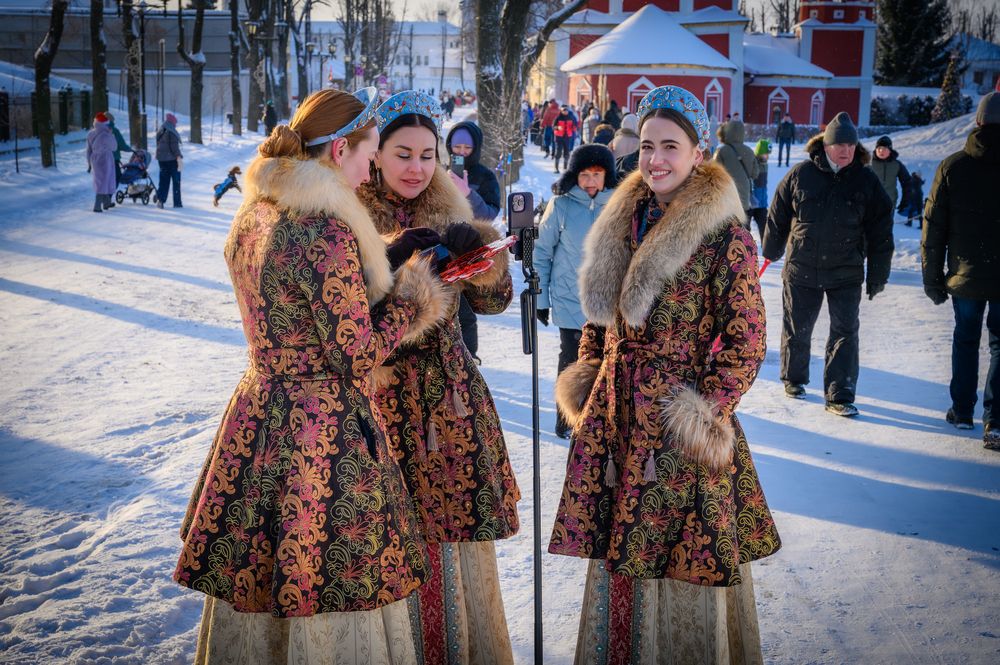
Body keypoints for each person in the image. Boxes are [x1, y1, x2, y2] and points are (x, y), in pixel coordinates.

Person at [174, 87, 453, 663]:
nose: (370, 170)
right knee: (327, 565)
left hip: (258, 412)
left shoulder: (256, 211)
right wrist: (414, 293)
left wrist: (380, 253)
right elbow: (355, 353)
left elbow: (294, 300)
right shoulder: (326, 229)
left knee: (262, 564)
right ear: (340, 150)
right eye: (369, 154)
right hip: (321, 430)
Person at [549, 84, 780, 662]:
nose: (654, 159)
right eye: (647, 145)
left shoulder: (723, 234)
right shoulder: (623, 218)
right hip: (616, 417)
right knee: (620, 548)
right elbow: (601, 318)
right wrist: (590, 374)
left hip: (679, 426)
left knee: (682, 552)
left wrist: (702, 412)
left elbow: (748, 339)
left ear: (698, 153)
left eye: (670, 146)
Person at [357, 90, 520, 664]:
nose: (416, 168)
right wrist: (391, 263)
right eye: (403, 154)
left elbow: (496, 301)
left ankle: (453, 645)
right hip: (380, 398)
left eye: (428, 156)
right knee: (381, 534)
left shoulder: (450, 206)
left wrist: (483, 255)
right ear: (375, 154)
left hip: (448, 401)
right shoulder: (348, 215)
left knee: (448, 531)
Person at [763, 111, 894, 416]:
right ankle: (794, 378)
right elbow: (778, 213)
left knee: (845, 331)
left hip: (846, 270)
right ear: (825, 146)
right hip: (802, 266)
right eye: (840, 145)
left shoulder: (866, 180)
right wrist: (771, 249)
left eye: (851, 145)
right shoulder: (801, 174)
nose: (846, 150)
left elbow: (881, 231)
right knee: (798, 327)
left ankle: (840, 394)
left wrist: (878, 273)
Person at [921, 92, 1000, 450]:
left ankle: (963, 410)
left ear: (978, 121)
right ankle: (995, 420)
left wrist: (932, 278)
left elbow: (933, 228)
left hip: (966, 275)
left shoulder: (953, 166)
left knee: (966, 339)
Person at [534, 144, 618, 439]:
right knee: (571, 358)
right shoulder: (561, 206)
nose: (590, 181)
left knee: (608, 361)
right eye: (584, 174)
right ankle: (566, 418)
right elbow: (542, 252)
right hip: (570, 298)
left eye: (597, 174)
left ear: (607, 176)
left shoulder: (618, 204)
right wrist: (541, 300)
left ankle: (600, 419)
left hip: (608, 302)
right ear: (574, 176)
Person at [445, 120, 503, 363]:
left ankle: (470, 358)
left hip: (471, 248)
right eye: (456, 147)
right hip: (445, 248)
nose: (461, 152)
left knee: (466, 310)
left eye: (467, 148)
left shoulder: (485, 177)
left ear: (476, 148)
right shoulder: (440, 172)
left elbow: (490, 214)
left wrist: (467, 193)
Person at [713, 118, 760, 226]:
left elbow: (713, 174)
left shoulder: (721, 151)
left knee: (726, 230)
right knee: (743, 229)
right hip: (744, 198)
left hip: (726, 198)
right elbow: (755, 173)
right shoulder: (749, 151)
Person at [870, 135, 911, 217]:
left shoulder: (897, 165)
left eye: (884, 148)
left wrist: (905, 202)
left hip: (889, 205)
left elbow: (907, 183)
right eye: (879, 148)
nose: (881, 151)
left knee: (885, 225)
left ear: (890, 150)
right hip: (869, 206)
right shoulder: (867, 164)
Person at [86, 111, 117, 213]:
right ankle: (97, 206)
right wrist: (111, 135)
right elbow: (114, 147)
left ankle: (107, 202)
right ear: (105, 123)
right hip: (105, 159)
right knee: (104, 181)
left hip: (94, 159)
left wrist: (89, 163)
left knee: (100, 180)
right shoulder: (106, 134)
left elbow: (88, 150)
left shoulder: (90, 134)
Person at [155, 112, 183, 209]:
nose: (175, 125)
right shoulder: (171, 132)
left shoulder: (161, 130)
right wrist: (179, 156)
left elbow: (159, 144)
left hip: (161, 160)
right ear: (172, 122)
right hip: (172, 160)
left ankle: (161, 199)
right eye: (175, 123)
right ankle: (177, 203)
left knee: (164, 180)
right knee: (176, 181)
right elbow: (174, 147)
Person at [750, 138, 772, 239]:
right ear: (760, 152)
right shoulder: (753, 163)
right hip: (751, 202)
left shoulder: (765, 164)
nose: (767, 156)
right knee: (745, 228)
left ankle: (766, 246)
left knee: (765, 228)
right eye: (766, 154)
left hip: (762, 203)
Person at [105, 112, 132, 184]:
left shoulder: (97, 131)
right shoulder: (114, 131)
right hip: (112, 158)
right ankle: (109, 191)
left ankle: (104, 190)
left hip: (100, 159)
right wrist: (130, 149)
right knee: (117, 177)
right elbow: (121, 144)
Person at [553, 105, 577, 172]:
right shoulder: (558, 118)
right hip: (559, 137)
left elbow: (575, 126)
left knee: (567, 152)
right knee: (559, 151)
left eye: (566, 110)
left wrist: (574, 128)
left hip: (567, 137)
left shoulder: (571, 118)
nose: (565, 112)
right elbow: (553, 126)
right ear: (561, 111)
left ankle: (565, 168)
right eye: (564, 110)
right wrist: (558, 127)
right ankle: (556, 168)